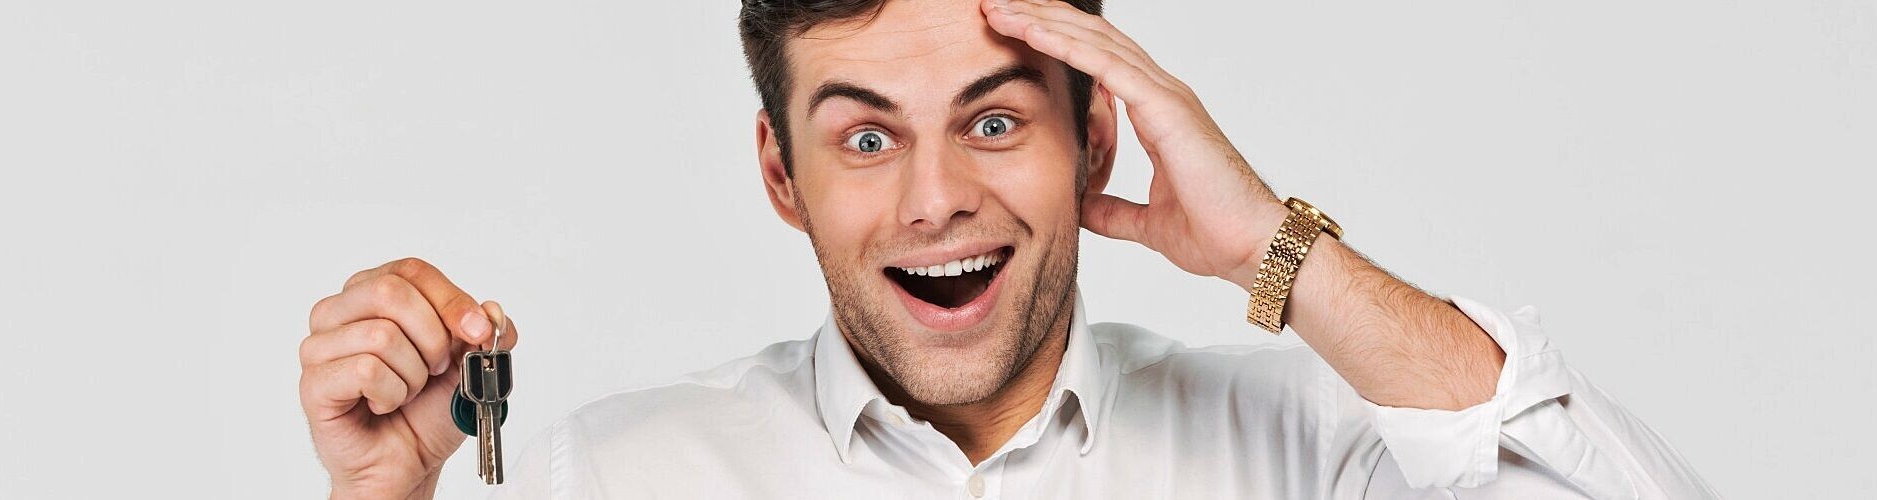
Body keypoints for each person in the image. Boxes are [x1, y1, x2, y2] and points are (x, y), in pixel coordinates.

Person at [299, 0, 1717, 497]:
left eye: (993, 122)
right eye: (865, 138)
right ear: (783, 176)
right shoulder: (612, 475)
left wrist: (1273, 251)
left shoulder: (1308, 448)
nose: (934, 201)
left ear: (1095, 142)